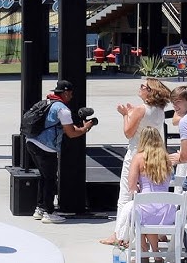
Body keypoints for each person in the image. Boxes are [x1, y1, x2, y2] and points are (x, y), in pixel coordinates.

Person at [101, 78, 171, 245]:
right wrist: (132, 113)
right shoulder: (159, 110)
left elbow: (128, 133)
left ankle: (119, 235)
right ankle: (158, 231)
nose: (140, 88)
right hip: (154, 154)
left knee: (125, 194)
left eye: (143, 86)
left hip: (136, 153)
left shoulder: (141, 109)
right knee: (153, 191)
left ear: (150, 91)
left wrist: (125, 115)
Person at [26, 80, 95, 224]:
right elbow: (71, 133)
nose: (71, 95)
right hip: (46, 147)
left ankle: (40, 208)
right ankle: (49, 213)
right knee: (51, 180)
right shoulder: (62, 109)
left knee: (44, 177)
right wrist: (86, 127)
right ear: (65, 92)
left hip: (31, 142)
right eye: (70, 93)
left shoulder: (47, 102)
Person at [115, 126, 176, 259]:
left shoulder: (138, 158)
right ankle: (155, 253)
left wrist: (139, 186)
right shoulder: (167, 158)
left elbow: (131, 186)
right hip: (166, 212)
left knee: (139, 210)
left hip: (145, 210)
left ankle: (144, 252)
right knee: (145, 212)